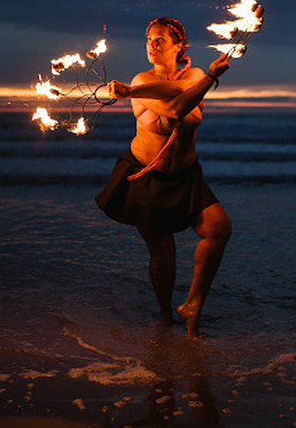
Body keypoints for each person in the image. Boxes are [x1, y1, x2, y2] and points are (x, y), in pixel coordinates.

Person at [95, 17, 233, 339]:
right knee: (162, 253)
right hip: (147, 175)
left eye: (161, 40)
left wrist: (210, 75)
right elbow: (172, 110)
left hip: (186, 177)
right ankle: (163, 313)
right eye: (149, 40)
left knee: (218, 229)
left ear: (179, 46)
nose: (153, 44)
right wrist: (132, 90)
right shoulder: (141, 79)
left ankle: (192, 305)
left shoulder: (196, 75)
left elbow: (181, 97)